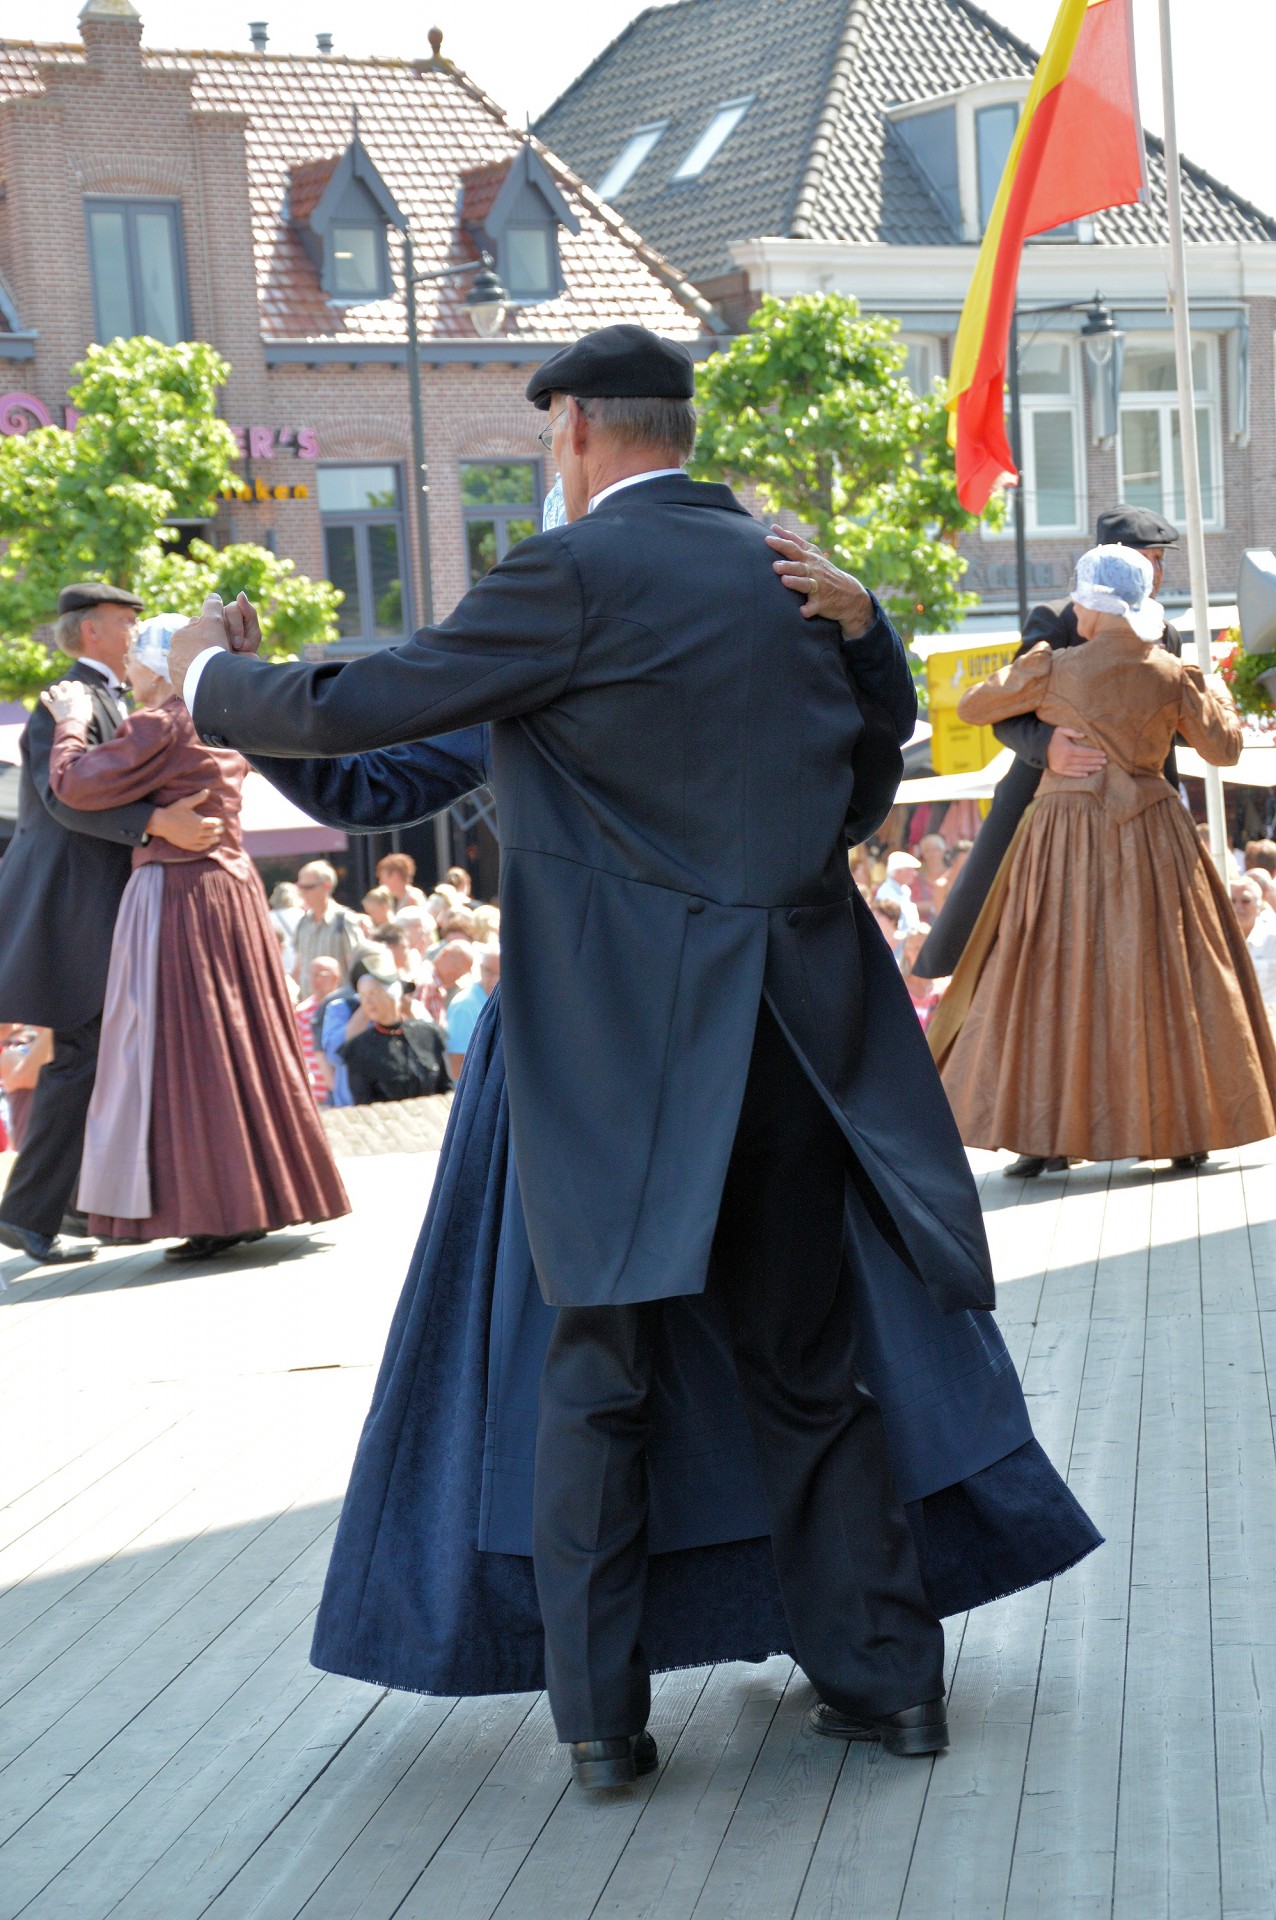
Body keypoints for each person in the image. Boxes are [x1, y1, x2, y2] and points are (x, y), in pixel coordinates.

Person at [170, 322, 1096, 1788]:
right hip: (793, 1040)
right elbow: (864, 788)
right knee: (811, 1369)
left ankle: (605, 1726)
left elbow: (365, 709)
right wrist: (873, 640)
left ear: (574, 435)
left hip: (617, 1056)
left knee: (598, 1379)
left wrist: (209, 683)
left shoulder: (571, 574)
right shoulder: (796, 574)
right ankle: (891, 1685)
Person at [932, 547, 1276, 1172]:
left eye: (1079, 598)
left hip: (1064, 833)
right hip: (1155, 835)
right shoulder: (1172, 671)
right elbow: (1224, 750)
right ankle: (1185, 1129)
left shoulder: (1054, 666)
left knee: (1047, 976)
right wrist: (1211, 685)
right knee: (1171, 974)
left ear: (1092, 602)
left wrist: (1046, 725)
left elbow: (974, 706)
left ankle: (1043, 1138)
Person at [40, 615, 350, 1260]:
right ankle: (258, 1197)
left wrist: (70, 719)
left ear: (158, 667)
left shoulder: (160, 722)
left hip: (179, 893)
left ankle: (216, 1208)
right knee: (243, 1047)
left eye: (134, 660)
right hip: (233, 893)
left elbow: (74, 782)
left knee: (181, 1049)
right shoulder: (221, 717)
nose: (126, 673)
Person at [0, 583, 222, 1267]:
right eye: (125, 622)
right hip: (73, 909)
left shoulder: (104, 699)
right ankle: (31, 1214)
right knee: (85, 1057)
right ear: (91, 630)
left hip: (90, 905)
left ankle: (62, 1206)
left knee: (92, 1058)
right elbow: (65, 801)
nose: (134, 633)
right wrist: (157, 823)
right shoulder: (67, 701)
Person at [915, 506, 1184, 1012]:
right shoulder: (1056, 620)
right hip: (1048, 798)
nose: (1158, 573)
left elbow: (1168, 730)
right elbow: (1000, 709)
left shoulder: (1166, 634)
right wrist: (1049, 747)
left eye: (1160, 561)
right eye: (1149, 559)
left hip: (1137, 807)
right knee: (1013, 927)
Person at [340, 958, 450, 1105]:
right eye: (363, 996)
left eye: (373, 993)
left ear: (393, 994)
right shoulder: (359, 1049)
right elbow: (363, 1105)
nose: (367, 1001)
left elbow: (446, 1087)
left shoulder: (427, 1034)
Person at [293, 860, 364, 988]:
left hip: (337, 1004)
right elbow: (298, 966)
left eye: (307, 887)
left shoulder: (344, 920)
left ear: (326, 887)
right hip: (309, 1004)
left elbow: (354, 964)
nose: (302, 893)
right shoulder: (303, 922)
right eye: (300, 887)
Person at [445, 943, 499, 1080]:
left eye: (500, 973)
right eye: (488, 971)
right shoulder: (465, 1006)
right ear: (480, 968)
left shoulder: (503, 1001)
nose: (493, 980)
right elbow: (457, 1068)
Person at [296, 956, 342, 1103]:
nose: (314, 980)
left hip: (341, 1091)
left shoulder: (346, 1007)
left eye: (319, 975)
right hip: (313, 1094)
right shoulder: (302, 1012)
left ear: (335, 978)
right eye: (312, 975)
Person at [1232, 876, 1276, 1022]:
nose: (1238, 907)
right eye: (1232, 901)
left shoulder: (1273, 939)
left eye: (1245, 901)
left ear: (1259, 905)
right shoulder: (1215, 939)